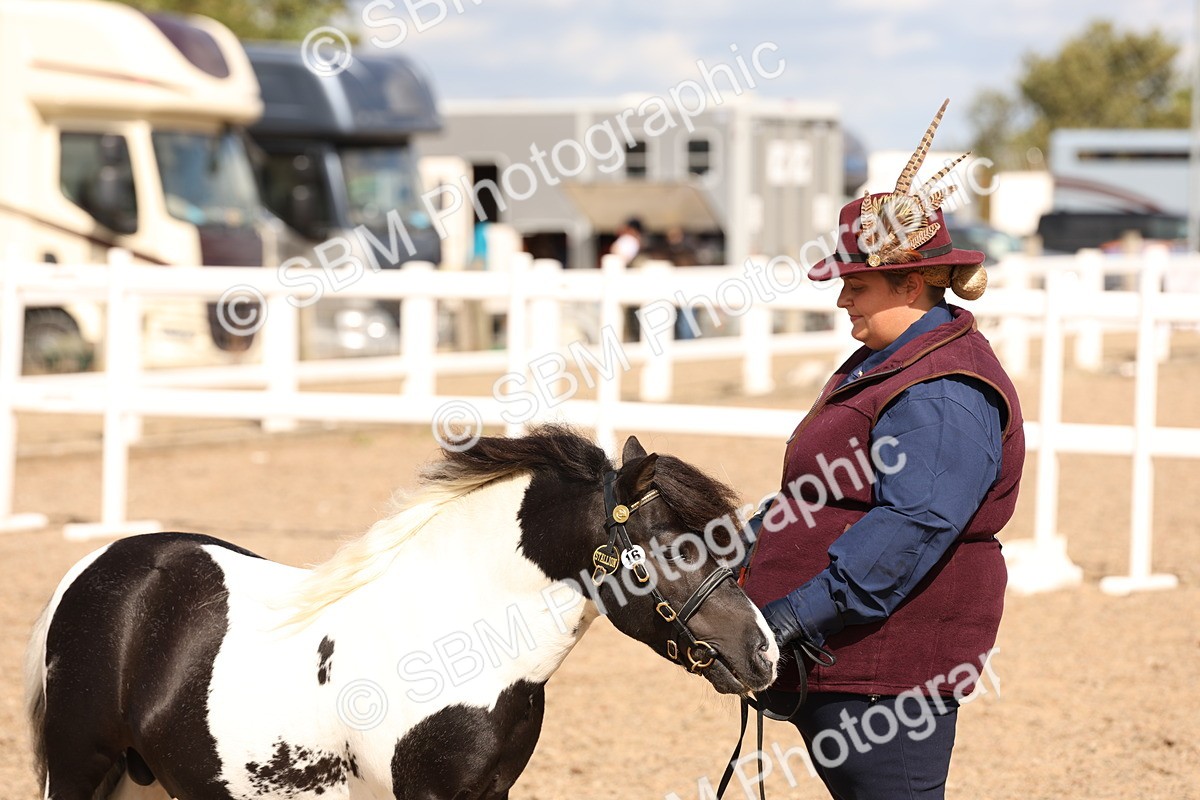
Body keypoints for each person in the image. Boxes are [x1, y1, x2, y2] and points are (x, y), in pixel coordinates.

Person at [739, 100, 1025, 800]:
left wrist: (789, 617)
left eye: (857, 286)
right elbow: (826, 496)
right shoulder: (893, 363)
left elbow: (913, 526)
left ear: (911, 283)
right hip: (849, 658)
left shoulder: (940, 392)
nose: (843, 302)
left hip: (885, 668)